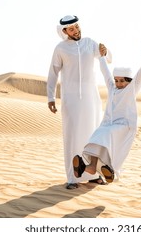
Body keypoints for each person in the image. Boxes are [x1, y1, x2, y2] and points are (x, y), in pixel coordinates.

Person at [47, 15, 112, 189]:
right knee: (72, 136)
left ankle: (95, 174)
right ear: (64, 31)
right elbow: (53, 73)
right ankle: (73, 178)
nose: (76, 30)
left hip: (91, 98)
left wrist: (107, 51)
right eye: (71, 29)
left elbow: (107, 58)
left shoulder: (90, 43)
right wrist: (51, 97)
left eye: (77, 27)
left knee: (93, 135)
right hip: (71, 99)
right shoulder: (60, 49)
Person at [72, 46, 141, 183]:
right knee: (98, 135)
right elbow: (105, 73)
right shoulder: (112, 88)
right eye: (116, 80)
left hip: (124, 126)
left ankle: (111, 170)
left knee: (106, 135)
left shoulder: (131, 89)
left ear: (129, 81)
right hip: (109, 125)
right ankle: (91, 167)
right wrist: (102, 57)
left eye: (122, 81)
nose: (118, 83)